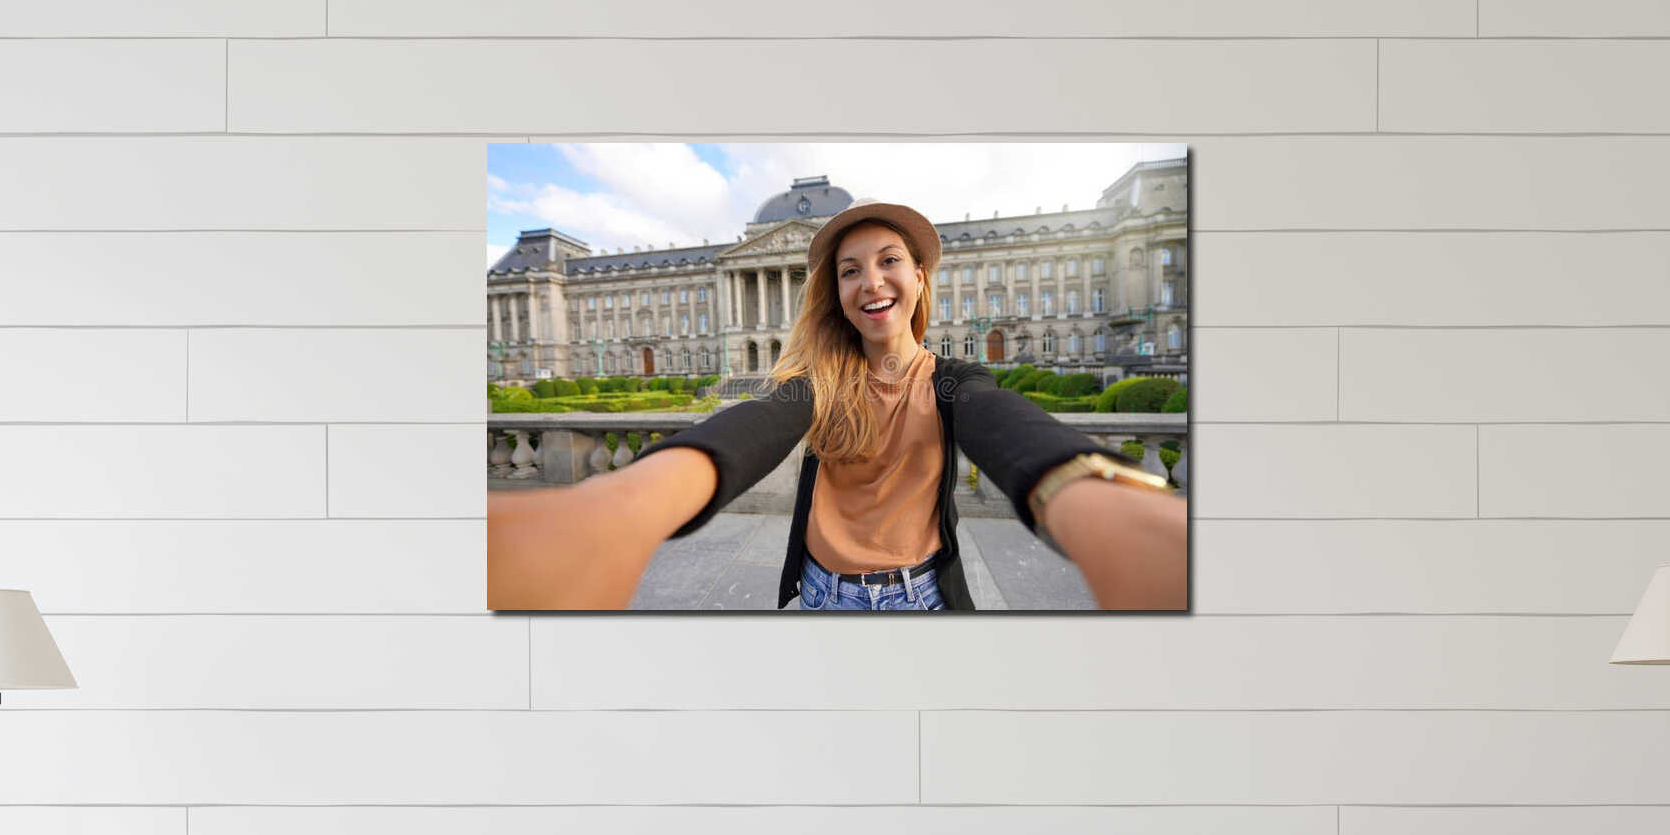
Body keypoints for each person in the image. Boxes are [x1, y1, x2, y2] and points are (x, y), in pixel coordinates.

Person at [487, 199, 1187, 611]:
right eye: (849, 270)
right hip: (821, 594)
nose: (870, 281)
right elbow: (753, 428)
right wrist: (620, 507)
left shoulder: (951, 381)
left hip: (923, 598)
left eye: (889, 260)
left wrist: (1105, 507)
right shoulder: (814, 385)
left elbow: (1007, 427)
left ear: (920, 278)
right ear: (835, 294)